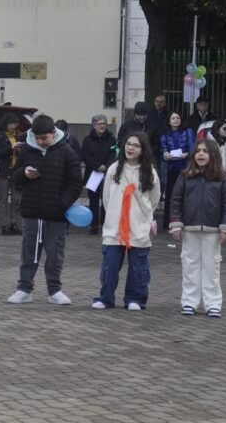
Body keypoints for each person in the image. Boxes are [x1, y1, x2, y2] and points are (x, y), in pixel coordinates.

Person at [5, 115, 83, 305]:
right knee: (29, 252)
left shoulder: (66, 151)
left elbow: (75, 182)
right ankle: (24, 289)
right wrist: (23, 174)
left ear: (53, 133)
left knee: (55, 254)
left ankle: (54, 290)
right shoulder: (26, 150)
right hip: (32, 211)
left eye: (44, 138)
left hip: (56, 214)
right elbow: (14, 178)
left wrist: (62, 203)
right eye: (37, 138)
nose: (40, 142)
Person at [92, 131, 161, 310]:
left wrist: (142, 217)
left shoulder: (150, 172)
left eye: (136, 145)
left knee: (138, 267)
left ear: (143, 149)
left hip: (138, 227)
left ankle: (135, 299)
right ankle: (106, 298)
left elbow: (154, 200)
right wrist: (115, 215)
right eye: (128, 144)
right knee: (110, 265)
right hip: (114, 226)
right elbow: (106, 197)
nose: (131, 148)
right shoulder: (114, 168)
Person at [169, 140, 226, 317]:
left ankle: (213, 303)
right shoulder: (185, 176)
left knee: (211, 267)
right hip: (189, 230)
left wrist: (225, 229)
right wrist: (176, 224)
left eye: (205, 151)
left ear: (213, 155)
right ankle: (189, 302)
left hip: (212, 231)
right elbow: (175, 201)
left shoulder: (222, 179)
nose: (201, 154)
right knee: (190, 266)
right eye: (198, 151)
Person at [81, 114, 116, 235]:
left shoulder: (111, 139)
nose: (102, 126)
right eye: (99, 124)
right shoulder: (87, 140)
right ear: (94, 125)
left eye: (104, 124)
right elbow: (86, 155)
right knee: (94, 200)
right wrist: (97, 166)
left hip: (108, 173)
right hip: (93, 173)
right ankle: (94, 224)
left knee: (107, 199)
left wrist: (107, 166)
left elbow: (114, 153)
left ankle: (106, 224)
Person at [159, 111, 195, 226]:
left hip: (186, 167)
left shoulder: (188, 132)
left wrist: (186, 154)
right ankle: (169, 222)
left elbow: (193, 148)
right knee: (171, 195)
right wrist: (165, 154)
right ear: (169, 121)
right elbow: (163, 148)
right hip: (172, 168)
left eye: (178, 118)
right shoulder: (164, 134)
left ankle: (186, 220)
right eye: (173, 118)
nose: (176, 120)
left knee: (186, 195)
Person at [0, 113, 23, 235]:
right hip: (2, 170)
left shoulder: (19, 135)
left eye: (15, 123)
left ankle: (14, 223)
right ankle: (4, 224)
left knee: (16, 199)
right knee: (3, 199)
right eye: (11, 123)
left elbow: (24, 154)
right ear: (5, 123)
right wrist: (11, 148)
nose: (13, 126)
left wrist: (20, 150)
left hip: (16, 170)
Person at [207, 118, 226, 182]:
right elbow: (208, 159)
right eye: (224, 128)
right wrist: (219, 171)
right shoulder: (210, 143)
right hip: (214, 176)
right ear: (217, 130)